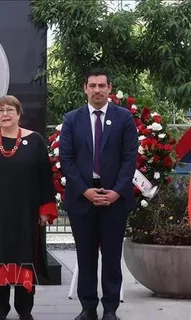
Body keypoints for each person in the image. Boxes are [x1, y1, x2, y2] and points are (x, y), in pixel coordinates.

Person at [0, 95, 58, 320]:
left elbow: (44, 177)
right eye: (0, 111)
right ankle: (0, 307)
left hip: (26, 214)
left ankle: (24, 309)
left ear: (19, 114)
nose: (5, 114)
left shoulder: (35, 140)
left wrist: (45, 210)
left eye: (10, 110)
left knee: (24, 257)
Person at [59, 68, 138, 320]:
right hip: (82, 198)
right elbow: (66, 159)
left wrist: (116, 192)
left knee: (112, 256)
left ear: (109, 88)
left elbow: (130, 159)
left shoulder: (124, 118)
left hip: (115, 199)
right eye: (92, 85)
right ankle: (88, 307)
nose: (97, 90)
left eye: (101, 85)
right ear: (85, 88)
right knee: (85, 255)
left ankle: (111, 309)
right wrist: (85, 190)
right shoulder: (72, 119)